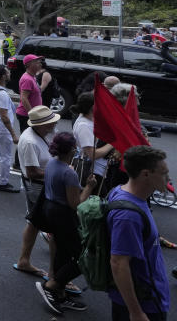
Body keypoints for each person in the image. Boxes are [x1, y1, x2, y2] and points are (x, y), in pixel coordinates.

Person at [34, 132, 97, 315]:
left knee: (63, 250)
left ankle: (60, 294)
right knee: (81, 256)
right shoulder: (69, 172)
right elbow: (76, 203)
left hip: (50, 210)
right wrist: (89, 187)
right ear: (70, 149)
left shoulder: (53, 163)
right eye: (75, 146)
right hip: (63, 215)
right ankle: (52, 286)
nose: (77, 149)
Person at [107, 146, 170, 321]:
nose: (168, 178)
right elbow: (118, 263)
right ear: (145, 174)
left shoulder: (120, 191)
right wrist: (135, 312)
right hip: (144, 302)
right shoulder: (129, 216)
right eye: (163, 173)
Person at [14, 105, 60, 281]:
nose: (54, 125)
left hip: (42, 184)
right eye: (50, 123)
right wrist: (59, 171)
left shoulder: (42, 133)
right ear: (40, 125)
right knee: (53, 228)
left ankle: (24, 260)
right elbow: (33, 172)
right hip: (37, 186)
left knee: (33, 222)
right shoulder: (30, 141)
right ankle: (55, 276)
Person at [17, 54, 44, 131]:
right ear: (29, 64)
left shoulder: (32, 77)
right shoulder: (27, 79)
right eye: (37, 62)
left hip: (32, 114)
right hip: (26, 115)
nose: (40, 64)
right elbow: (24, 98)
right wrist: (32, 115)